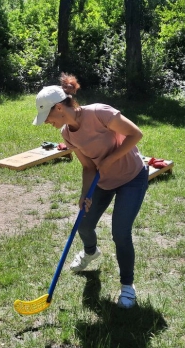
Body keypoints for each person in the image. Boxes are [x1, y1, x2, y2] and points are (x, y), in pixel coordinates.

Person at [33, 73, 148, 309]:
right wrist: (85, 194)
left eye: (47, 116)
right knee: (84, 224)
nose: (46, 122)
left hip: (131, 177)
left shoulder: (99, 113)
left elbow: (135, 134)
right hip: (103, 181)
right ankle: (90, 252)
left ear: (59, 108)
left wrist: (110, 159)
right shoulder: (67, 133)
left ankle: (127, 286)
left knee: (120, 232)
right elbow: (88, 166)